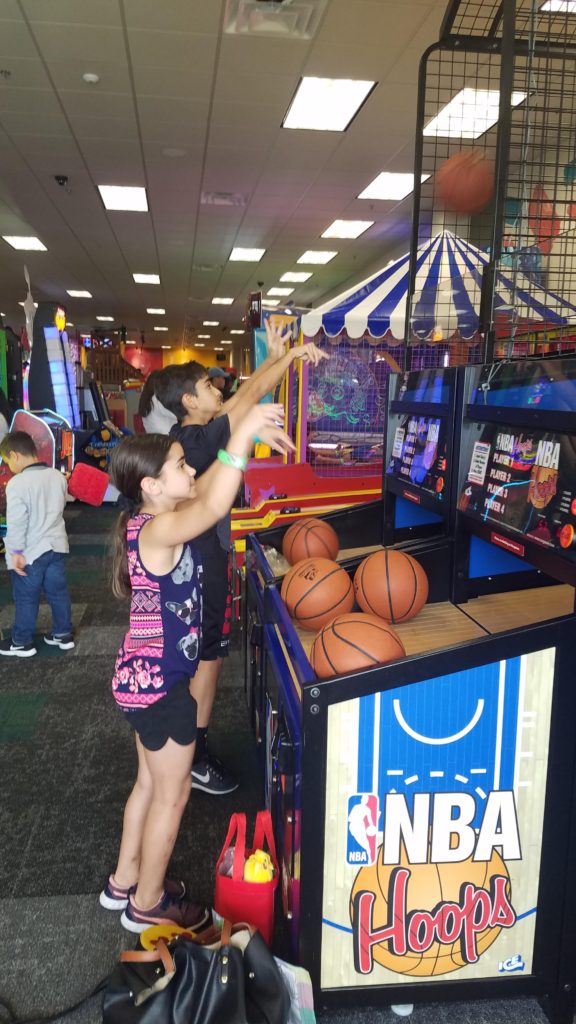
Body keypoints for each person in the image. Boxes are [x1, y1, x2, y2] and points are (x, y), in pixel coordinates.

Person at [101, 402, 293, 933]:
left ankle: (124, 882)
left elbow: (209, 493)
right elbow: (209, 509)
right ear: (151, 486)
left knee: (147, 783)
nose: (191, 471)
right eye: (181, 466)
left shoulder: (151, 521)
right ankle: (148, 902)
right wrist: (247, 429)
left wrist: (242, 447)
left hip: (141, 680)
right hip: (162, 688)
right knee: (174, 792)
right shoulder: (159, 532)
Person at [155, 321, 328, 794]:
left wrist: (277, 358)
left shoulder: (193, 434)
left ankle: (192, 746)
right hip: (203, 563)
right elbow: (247, 400)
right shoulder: (196, 440)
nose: (218, 390)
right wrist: (287, 360)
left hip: (204, 558)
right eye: (208, 386)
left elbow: (242, 398)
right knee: (208, 660)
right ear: (189, 400)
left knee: (208, 657)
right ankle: (195, 752)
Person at [0, 431, 73, 657]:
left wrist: (15, 553)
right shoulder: (57, 476)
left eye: (7, 460)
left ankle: (21, 641)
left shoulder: (16, 484)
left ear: (15, 456)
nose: (8, 466)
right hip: (57, 547)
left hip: (31, 552)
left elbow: (17, 523)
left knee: (26, 597)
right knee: (58, 593)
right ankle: (63, 634)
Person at [138, 369, 177, 434]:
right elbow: (175, 415)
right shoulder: (157, 398)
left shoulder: (145, 397)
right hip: (166, 437)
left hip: (152, 437)